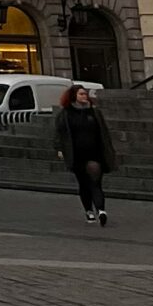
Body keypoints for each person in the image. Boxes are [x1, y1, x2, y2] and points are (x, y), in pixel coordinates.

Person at [55, 84, 118, 224]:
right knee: (83, 183)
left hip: (94, 152)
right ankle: (89, 210)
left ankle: (101, 210)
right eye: (81, 94)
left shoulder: (94, 112)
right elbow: (60, 134)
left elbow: (103, 132)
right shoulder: (66, 114)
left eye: (85, 94)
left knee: (96, 181)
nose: (84, 96)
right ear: (74, 96)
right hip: (77, 154)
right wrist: (60, 149)